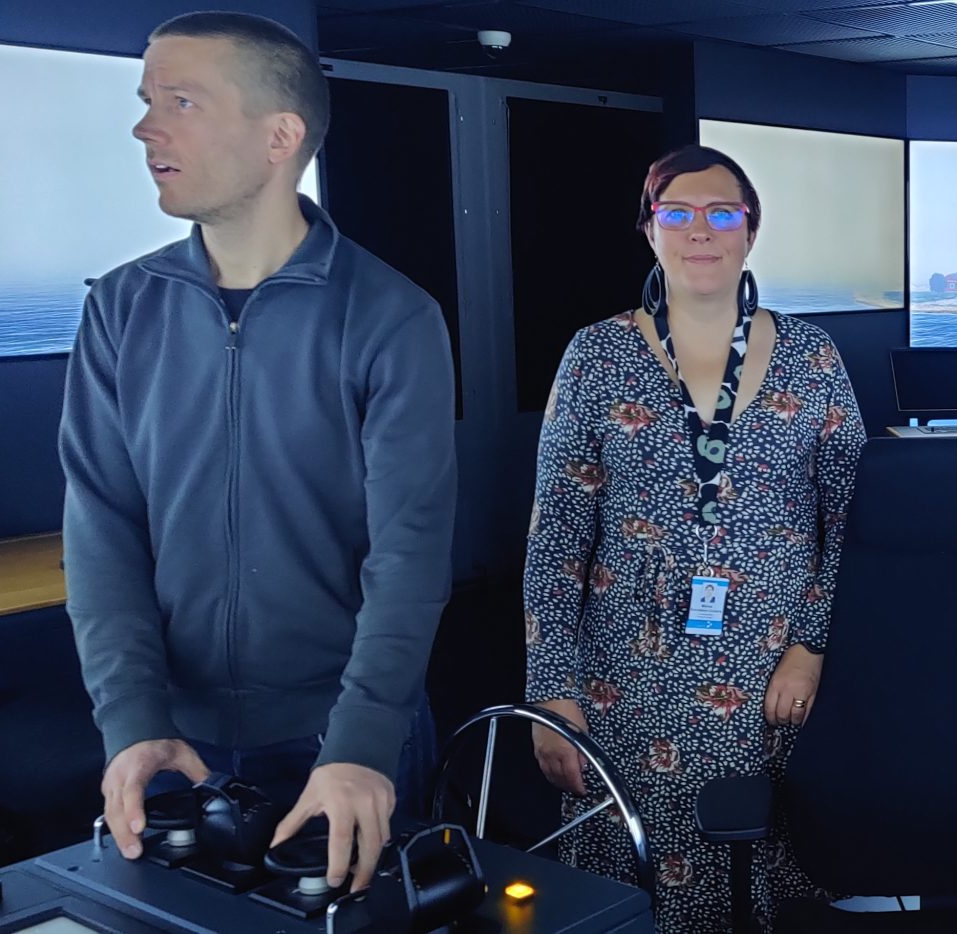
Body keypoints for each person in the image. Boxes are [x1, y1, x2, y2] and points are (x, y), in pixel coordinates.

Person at [61, 11, 455, 894]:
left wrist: (359, 746)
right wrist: (132, 719)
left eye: (182, 100)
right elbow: (102, 530)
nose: (144, 125)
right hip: (176, 741)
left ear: (280, 136)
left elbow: (410, 553)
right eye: (146, 99)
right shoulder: (121, 309)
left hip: (342, 735)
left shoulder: (392, 317)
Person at [523, 145, 863, 930]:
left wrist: (811, 647)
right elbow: (557, 537)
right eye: (677, 212)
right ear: (650, 231)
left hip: (772, 678)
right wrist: (551, 693)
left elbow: (852, 521)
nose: (700, 230)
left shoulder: (813, 357)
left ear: (751, 230)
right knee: (635, 881)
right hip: (625, 679)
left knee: (765, 868)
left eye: (722, 213)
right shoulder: (596, 355)